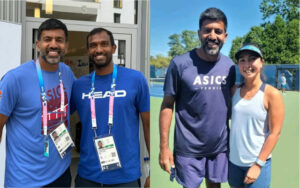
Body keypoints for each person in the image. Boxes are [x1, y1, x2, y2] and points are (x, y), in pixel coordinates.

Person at [159, 7, 236, 188]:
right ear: (199, 33)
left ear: (225, 36)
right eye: (207, 30)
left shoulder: (230, 66)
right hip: (188, 150)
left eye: (218, 31)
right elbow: (167, 105)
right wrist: (164, 148)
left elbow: (233, 104)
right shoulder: (180, 64)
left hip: (219, 148)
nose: (212, 35)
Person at [71, 27, 150, 187]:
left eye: (104, 44)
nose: (98, 49)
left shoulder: (135, 79)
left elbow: (148, 125)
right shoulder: (79, 85)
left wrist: (152, 171)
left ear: (113, 48)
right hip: (87, 177)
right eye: (93, 45)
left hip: (125, 178)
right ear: (88, 51)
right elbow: (59, 118)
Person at [0, 18, 75, 187]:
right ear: (38, 45)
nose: (53, 45)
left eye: (59, 40)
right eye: (47, 39)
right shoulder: (15, 79)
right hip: (24, 179)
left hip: (61, 173)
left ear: (66, 46)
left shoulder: (67, 73)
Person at [229, 44, 284, 188]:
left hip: (257, 164)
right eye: (242, 60)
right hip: (234, 163)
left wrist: (258, 164)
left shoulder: (272, 94)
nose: (247, 65)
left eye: (252, 59)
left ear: (261, 62)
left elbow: (275, 133)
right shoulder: (234, 90)